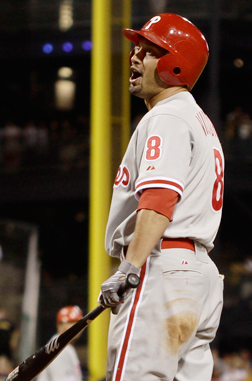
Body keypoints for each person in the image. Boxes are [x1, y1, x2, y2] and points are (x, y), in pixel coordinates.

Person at [97, 14, 224, 381]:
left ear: (175, 63)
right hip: (198, 277)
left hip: (160, 269)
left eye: (149, 51)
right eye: (137, 48)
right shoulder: (200, 121)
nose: (134, 57)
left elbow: (159, 196)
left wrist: (130, 267)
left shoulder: (167, 117)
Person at [37, 306, 83, 381]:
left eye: (79, 322)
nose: (77, 325)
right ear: (60, 325)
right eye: (71, 322)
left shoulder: (65, 346)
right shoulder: (58, 348)